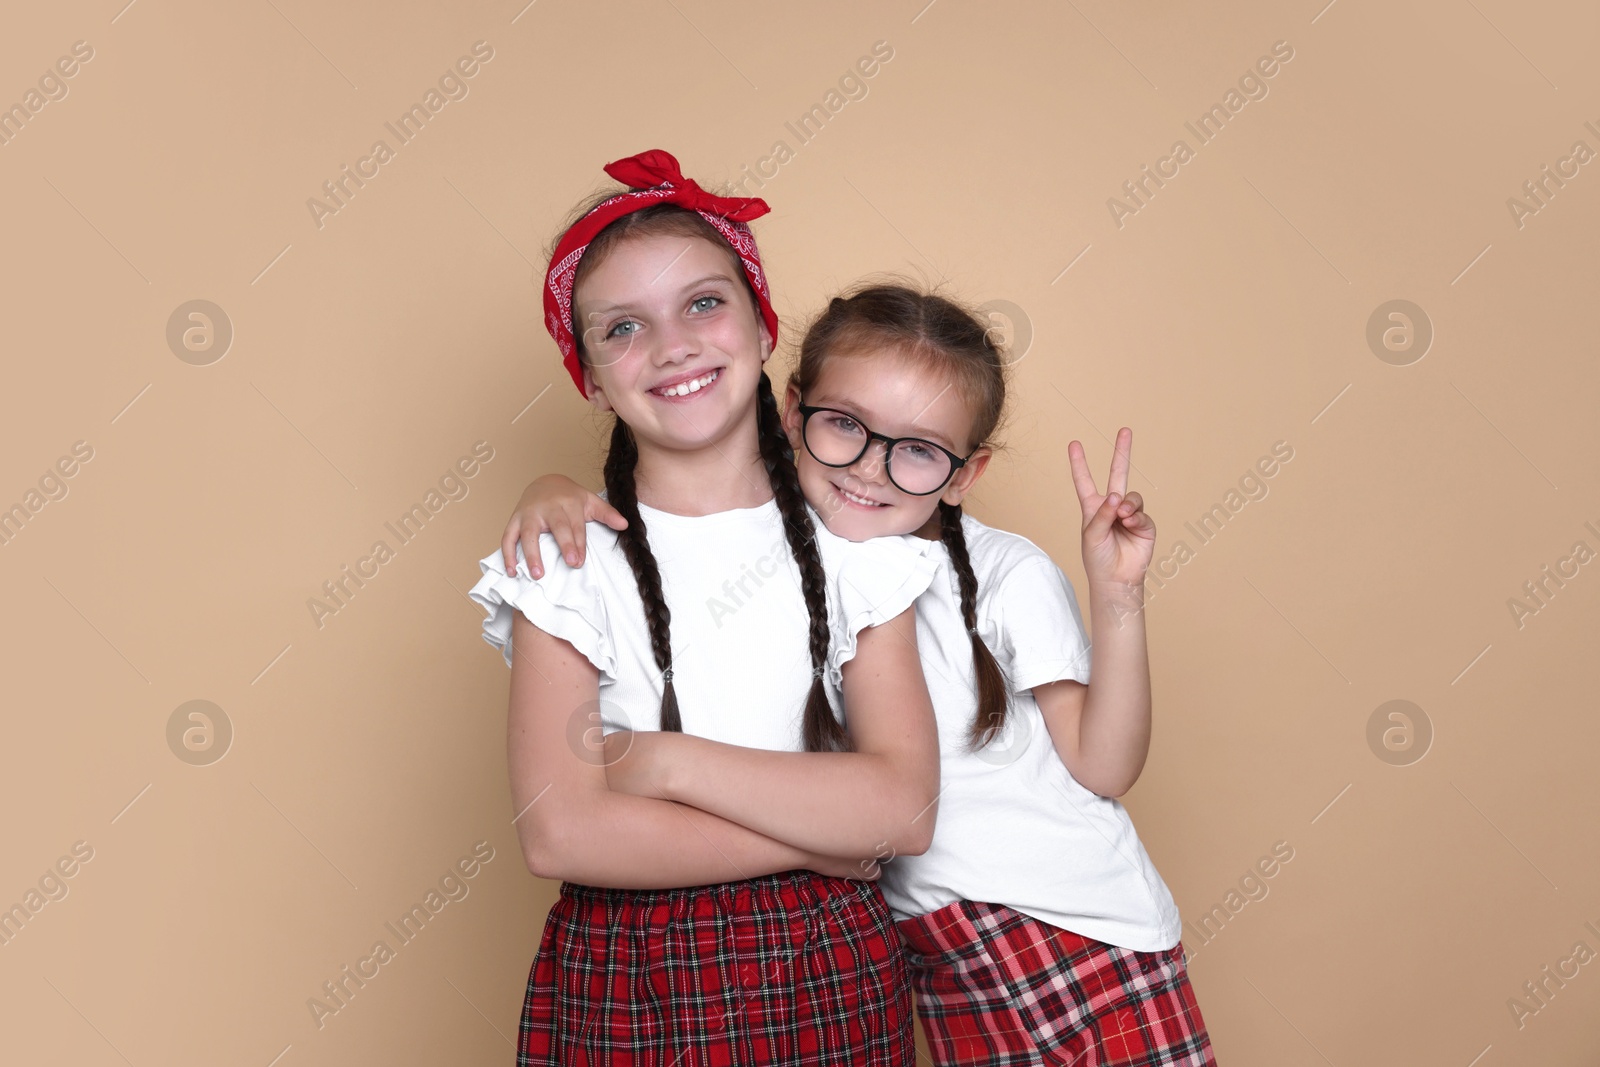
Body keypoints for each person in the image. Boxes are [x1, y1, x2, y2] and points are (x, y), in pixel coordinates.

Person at [505, 283, 1216, 1065]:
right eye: (845, 426)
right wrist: (551, 492)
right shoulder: (782, 554)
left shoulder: (1004, 570)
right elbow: (674, 510)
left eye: (916, 449)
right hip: (931, 953)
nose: (871, 471)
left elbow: (1105, 763)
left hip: (1082, 931)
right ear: (793, 411)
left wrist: (1118, 595)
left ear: (964, 472)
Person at [469, 152, 944, 1065]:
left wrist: (660, 762)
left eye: (703, 302)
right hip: (626, 982)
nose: (674, 346)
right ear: (588, 375)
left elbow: (901, 809)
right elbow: (562, 829)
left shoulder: (855, 542)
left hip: (830, 978)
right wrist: (813, 845)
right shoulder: (565, 559)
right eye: (622, 328)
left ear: (764, 325)